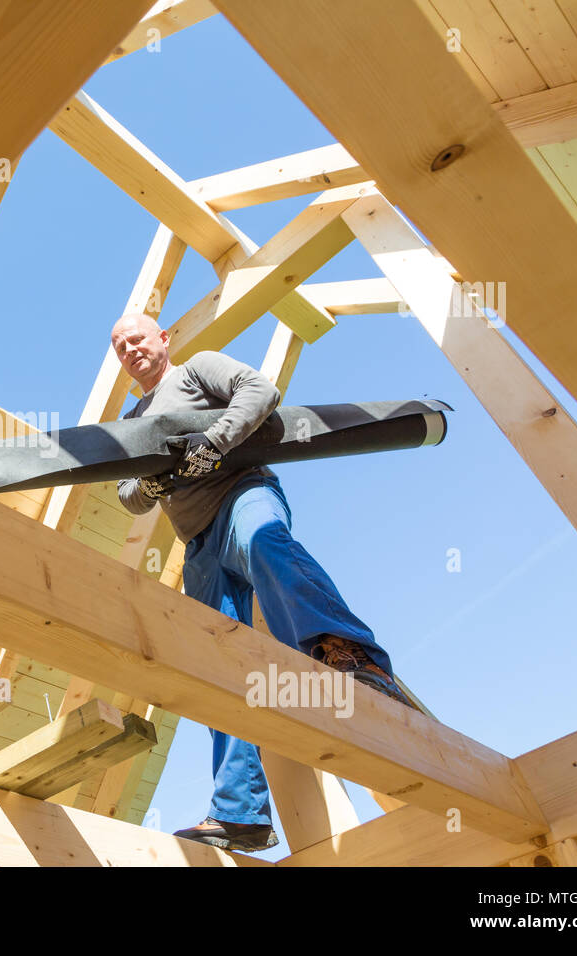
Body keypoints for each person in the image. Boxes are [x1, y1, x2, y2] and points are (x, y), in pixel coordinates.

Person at [111, 312, 415, 852]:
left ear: (162, 339)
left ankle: (356, 661)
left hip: (242, 493)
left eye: (138, 337)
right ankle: (239, 813)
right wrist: (155, 482)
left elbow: (261, 389)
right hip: (198, 543)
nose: (131, 348)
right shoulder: (132, 417)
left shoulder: (197, 371)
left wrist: (215, 440)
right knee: (222, 666)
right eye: (121, 346)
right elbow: (126, 494)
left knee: (266, 544)